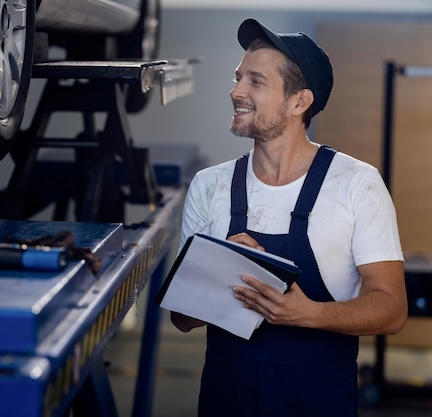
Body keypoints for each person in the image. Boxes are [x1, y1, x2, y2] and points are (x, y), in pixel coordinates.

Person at [170, 18, 408, 416]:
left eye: (256, 82)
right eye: (238, 77)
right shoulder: (210, 186)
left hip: (317, 402)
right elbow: (181, 318)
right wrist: (218, 272)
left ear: (300, 102)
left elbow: (392, 309)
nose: (236, 91)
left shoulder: (356, 184)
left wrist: (308, 313)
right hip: (226, 401)